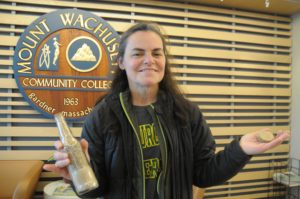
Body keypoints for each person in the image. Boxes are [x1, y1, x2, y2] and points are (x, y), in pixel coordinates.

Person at [43, 22, 290, 199]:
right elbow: (95, 190)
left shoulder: (187, 112)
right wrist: (77, 174)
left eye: (156, 53)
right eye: (138, 53)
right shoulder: (102, 115)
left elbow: (204, 174)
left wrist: (241, 149)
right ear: (121, 62)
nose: (149, 60)